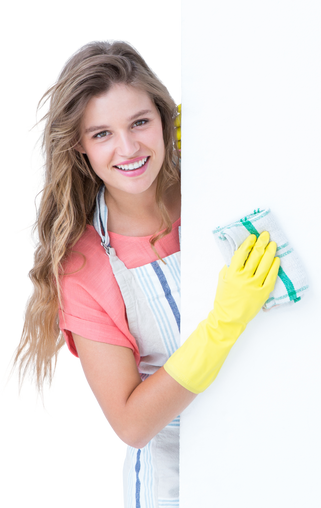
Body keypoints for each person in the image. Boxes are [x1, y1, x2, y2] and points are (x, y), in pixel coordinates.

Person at [0, 36, 280, 507]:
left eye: (140, 122)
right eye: (102, 133)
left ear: (165, 118)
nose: (128, 147)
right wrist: (222, 325)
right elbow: (131, 424)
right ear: (80, 147)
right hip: (179, 485)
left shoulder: (214, 187)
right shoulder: (83, 267)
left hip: (272, 455)